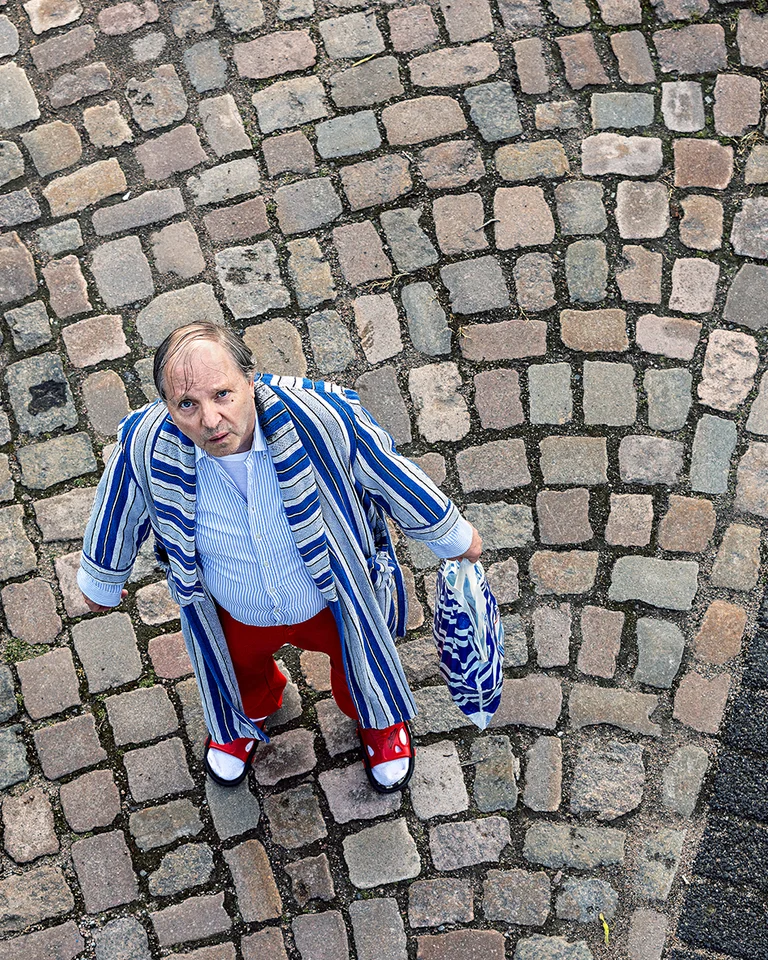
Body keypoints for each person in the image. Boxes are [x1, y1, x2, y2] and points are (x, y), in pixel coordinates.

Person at [79, 322, 482, 794]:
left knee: (358, 663)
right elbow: (118, 507)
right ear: (166, 405)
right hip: (236, 606)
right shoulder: (145, 445)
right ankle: (249, 711)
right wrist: (101, 579)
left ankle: (374, 718)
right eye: (187, 404)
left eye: (223, 394)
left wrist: (452, 535)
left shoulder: (322, 414)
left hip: (330, 595)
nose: (210, 420)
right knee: (238, 668)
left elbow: (388, 472)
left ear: (251, 379)